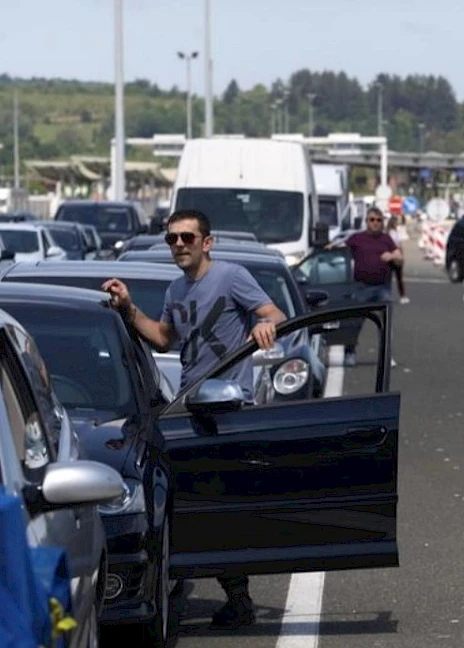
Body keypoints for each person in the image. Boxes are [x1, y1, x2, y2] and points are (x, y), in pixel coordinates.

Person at [102, 208, 287, 630]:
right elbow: (165, 337)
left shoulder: (231, 275)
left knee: (218, 503)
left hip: (226, 406)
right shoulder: (175, 290)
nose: (179, 245)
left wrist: (264, 327)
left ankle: (238, 598)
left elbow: (273, 314)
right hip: (189, 405)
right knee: (186, 502)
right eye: (172, 239)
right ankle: (206, 588)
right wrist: (128, 307)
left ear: (207, 242)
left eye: (187, 237)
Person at [338, 206, 403, 367]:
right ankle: (349, 354)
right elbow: (341, 249)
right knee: (354, 322)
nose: (375, 223)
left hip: (382, 288)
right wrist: (329, 249)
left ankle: (387, 356)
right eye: (372, 220)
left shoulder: (386, 239)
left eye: (378, 220)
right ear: (367, 221)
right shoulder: (357, 238)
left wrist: (392, 255)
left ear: (382, 222)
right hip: (360, 287)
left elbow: (400, 257)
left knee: (385, 323)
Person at [385, 215, 409, 304]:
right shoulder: (394, 233)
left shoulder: (387, 233)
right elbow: (398, 245)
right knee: (399, 278)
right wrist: (401, 255)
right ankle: (402, 296)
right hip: (396, 256)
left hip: (389, 256)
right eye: (396, 222)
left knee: (388, 278)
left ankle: (387, 295)